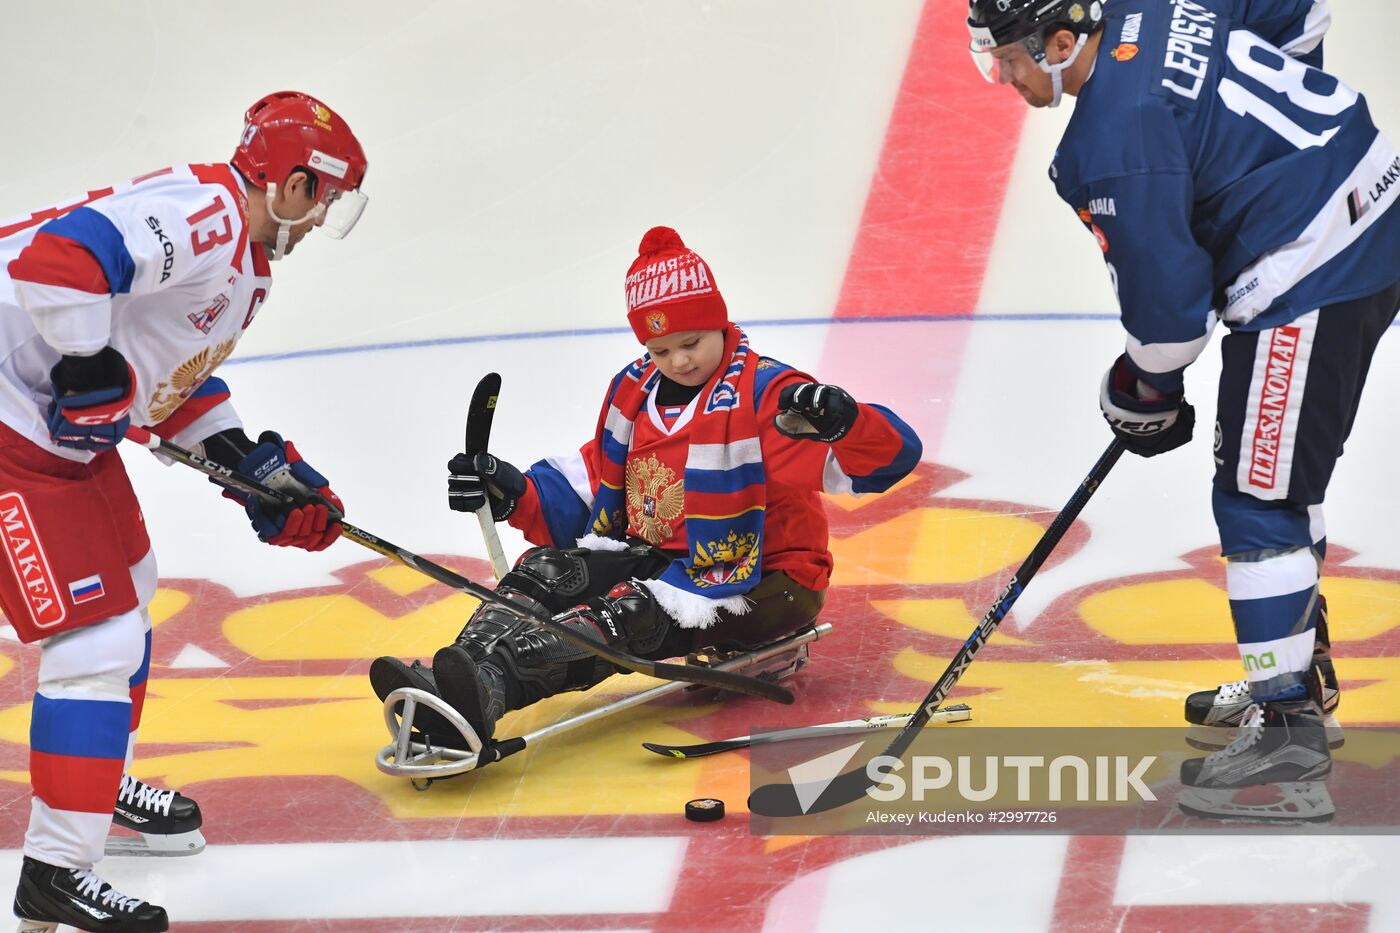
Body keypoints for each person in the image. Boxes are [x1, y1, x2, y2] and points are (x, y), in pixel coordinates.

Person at [966, 0, 1400, 818]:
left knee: (1258, 498)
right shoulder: (1149, 6)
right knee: (1282, 479)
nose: (1004, 76)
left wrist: (1142, 391)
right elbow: (1299, 12)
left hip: (1312, 267)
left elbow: (1169, 323)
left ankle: (1288, 735)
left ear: (1061, 42)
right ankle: (1294, 677)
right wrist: (1273, 159)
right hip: (1369, 196)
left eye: (1011, 58)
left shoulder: (1109, 144)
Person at [2, 91, 368, 932]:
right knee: (95, 637)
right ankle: (56, 869)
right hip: (11, 421)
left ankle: (93, 785)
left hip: (43, 422)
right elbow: (59, 260)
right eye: (326, 198)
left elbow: (164, 379)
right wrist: (87, 363)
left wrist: (251, 466)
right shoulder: (208, 215)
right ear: (294, 184)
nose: (323, 218)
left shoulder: (243, 257)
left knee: (132, 585)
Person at [371, 226, 922, 747]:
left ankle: (492, 688)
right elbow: (596, 481)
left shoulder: (761, 395)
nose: (678, 361)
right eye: (660, 350)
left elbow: (876, 463)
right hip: (667, 558)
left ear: (720, 323)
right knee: (546, 569)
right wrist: (513, 492)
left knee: (626, 612)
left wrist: (846, 423)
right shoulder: (636, 394)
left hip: (767, 577)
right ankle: (457, 677)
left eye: (692, 342)